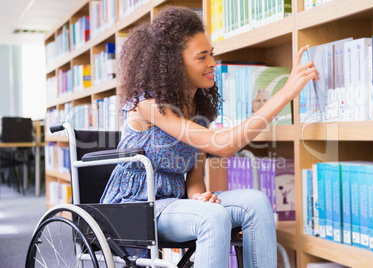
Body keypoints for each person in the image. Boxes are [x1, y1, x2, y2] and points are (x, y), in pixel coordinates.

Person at [100, 6, 319, 268]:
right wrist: (285, 94)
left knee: (257, 203)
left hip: (173, 204)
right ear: (173, 65)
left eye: (211, 54)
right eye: (202, 57)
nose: (212, 63)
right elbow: (223, 146)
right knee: (211, 218)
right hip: (136, 206)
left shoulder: (198, 110)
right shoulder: (148, 105)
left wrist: (199, 198)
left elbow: (194, 176)